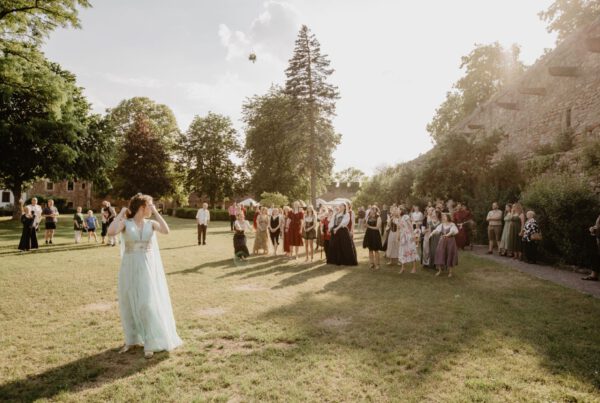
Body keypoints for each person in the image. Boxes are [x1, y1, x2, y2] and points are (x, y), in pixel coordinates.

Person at [107, 193, 183, 359]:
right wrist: (120, 214)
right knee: (129, 302)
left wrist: (156, 212)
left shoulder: (152, 223)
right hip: (129, 267)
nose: (152, 207)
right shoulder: (126, 224)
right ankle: (132, 339)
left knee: (146, 303)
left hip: (148, 267)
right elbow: (110, 232)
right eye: (150, 205)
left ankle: (150, 341)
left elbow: (166, 230)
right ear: (142, 207)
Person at [431, 213, 459, 277]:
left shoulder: (452, 224)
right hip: (442, 241)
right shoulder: (442, 225)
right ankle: (440, 270)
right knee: (439, 253)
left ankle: (450, 272)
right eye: (443, 217)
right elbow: (437, 230)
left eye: (445, 217)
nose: (443, 218)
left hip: (450, 241)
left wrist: (448, 234)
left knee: (450, 254)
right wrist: (433, 233)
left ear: (448, 217)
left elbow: (454, 231)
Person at [398, 208, 419, 273]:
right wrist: (399, 236)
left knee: (412, 250)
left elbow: (410, 226)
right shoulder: (399, 218)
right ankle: (403, 268)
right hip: (403, 236)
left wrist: (413, 235)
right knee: (402, 251)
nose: (397, 210)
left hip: (408, 236)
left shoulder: (405, 216)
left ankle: (414, 268)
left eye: (398, 209)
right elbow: (400, 228)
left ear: (402, 211)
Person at [583, 214, 600, 281]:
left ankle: (594, 275)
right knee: (595, 255)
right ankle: (594, 275)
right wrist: (593, 228)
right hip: (598, 237)